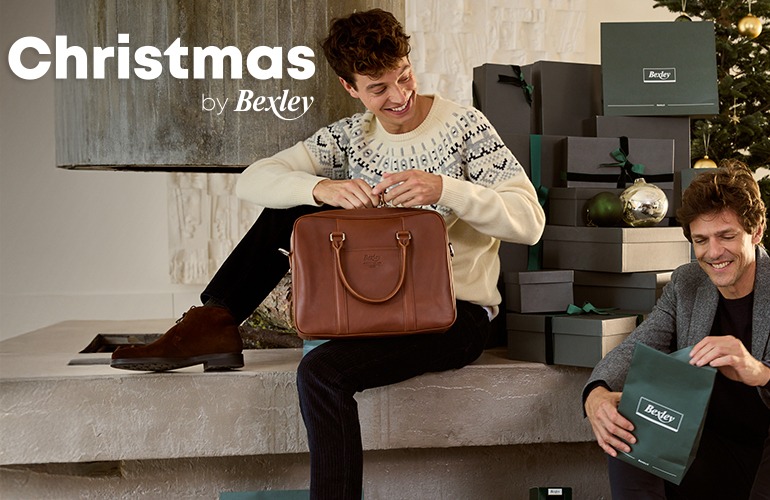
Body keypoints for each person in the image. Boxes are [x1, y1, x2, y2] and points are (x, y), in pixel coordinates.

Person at [111, 9, 545, 499]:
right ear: (350, 87)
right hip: (371, 309)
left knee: (320, 374)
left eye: (404, 77)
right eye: (378, 88)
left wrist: (446, 188)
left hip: (454, 317)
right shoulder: (347, 138)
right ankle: (215, 320)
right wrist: (324, 188)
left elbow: (529, 223)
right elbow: (254, 179)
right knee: (293, 202)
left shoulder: (464, 127)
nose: (399, 96)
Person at [583, 160, 770, 499]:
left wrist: (758, 371)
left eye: (726, 236)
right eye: (701, 240)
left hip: (764, 451)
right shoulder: (687, 282)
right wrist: (596, 394)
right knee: (630, 414)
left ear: (755, 232)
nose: (713, 253)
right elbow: (637, 348)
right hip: (706, 449)